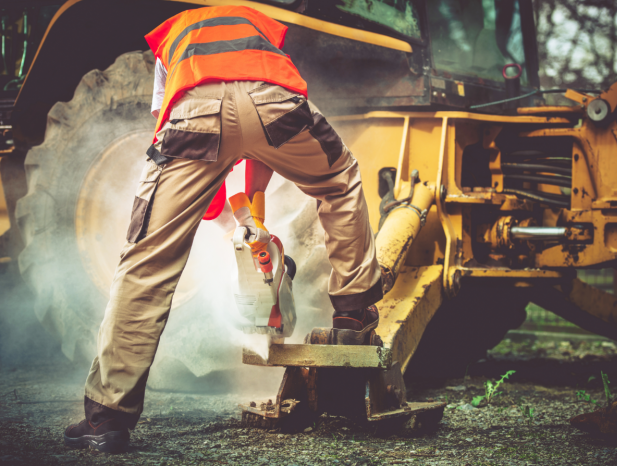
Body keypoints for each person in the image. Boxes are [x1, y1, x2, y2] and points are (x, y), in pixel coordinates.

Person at [63, 5, 382, 453]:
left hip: (193, 117)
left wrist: (208, 205)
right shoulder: (256, 23)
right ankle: (352, 311)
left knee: (147, 257)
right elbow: (257, 120)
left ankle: (106, 416)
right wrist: (252, 211)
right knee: (340, 179)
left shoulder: (171, 39)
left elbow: (167, 125)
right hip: (275, 107)